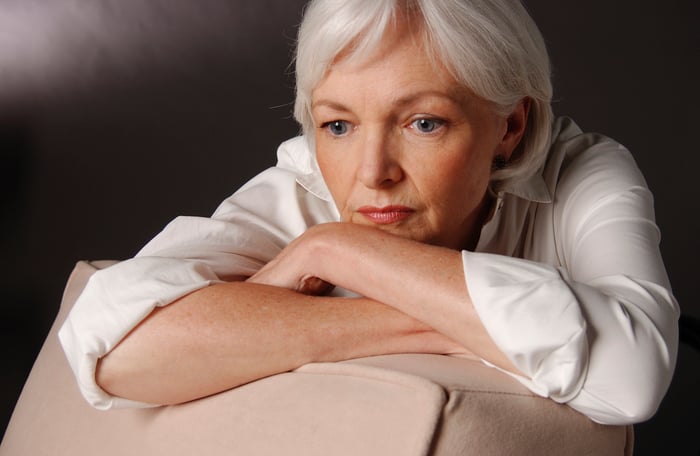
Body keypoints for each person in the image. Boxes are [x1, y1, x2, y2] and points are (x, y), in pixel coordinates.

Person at [58, 0, 679, 425]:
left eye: (423, 122)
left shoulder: (583, 172)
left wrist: (337, 250)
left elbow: (633, 376)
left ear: (509, 127)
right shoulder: (300, 188)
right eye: (338, 124)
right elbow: (118, 351)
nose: (371, 171)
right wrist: (444, 326)